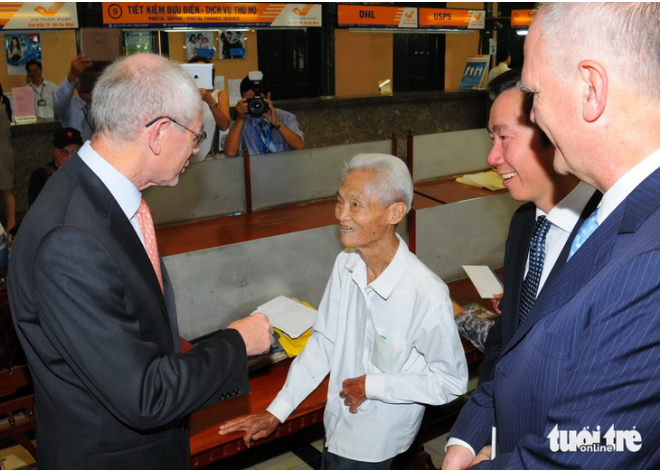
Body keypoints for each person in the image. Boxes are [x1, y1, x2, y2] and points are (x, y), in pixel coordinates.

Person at [8, 53, 273, 469]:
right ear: (160, 133)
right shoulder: (69, 240)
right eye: (197, 137)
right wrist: (237, 343)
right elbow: (144, 394)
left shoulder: (102, 197)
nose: (196, 151)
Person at [443, 3, 659, 469]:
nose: (534, 116)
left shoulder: (651, 256)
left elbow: (589, 452)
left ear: (590, 87)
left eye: (534, 93)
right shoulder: (624, 218)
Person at [220, 154, 468, 469]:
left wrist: (372, 385)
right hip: (337, 426)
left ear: (395, 212)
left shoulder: (425, 295)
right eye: (340, 201)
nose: (341, 214)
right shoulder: (346, 264)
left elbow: (451, 382)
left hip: (379, 447)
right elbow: (323, 343)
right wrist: (276, 412)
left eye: (355, 204)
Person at [477, 69, 601, 385]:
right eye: (492, 139)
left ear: (550, 130)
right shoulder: (524, 223)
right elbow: (505, 340)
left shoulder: (607, 229)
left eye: (504, 137)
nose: (492, 156)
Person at [222, 74, 305, 156]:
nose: (255, 105)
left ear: (268, 96)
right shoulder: (240, 122)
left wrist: (278, 124)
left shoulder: (286, 117)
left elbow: (299, 147)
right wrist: (239, 119)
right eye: (250, 101)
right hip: (253, 168)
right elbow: (230, 153)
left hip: (283, 167)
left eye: (257, 100)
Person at [186, 56, 230, 161]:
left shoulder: (219, 94)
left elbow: (224, 125)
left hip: (213, 156)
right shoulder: (183, 97)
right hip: (188, 157)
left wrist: (209, 99)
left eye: (202, 71)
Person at [27, 127, 83, 207]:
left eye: (75, 152)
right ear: (55, 152)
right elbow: (34, 212)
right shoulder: (41, 175)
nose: (70, 157)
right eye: (64, 153)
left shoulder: (88, 172)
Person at [54, 52, 94, 140]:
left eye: (91, 80)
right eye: (82, 79)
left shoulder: (104, 106)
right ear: (75, 84)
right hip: (75, 152)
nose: (87, 84)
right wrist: (72, 74)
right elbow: (60, 100)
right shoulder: (69, 106)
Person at [0, 83, 16, 236]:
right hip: (4, 151)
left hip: (2, 153)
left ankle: (11, 223)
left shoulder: (1, 107)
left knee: (5, 188)